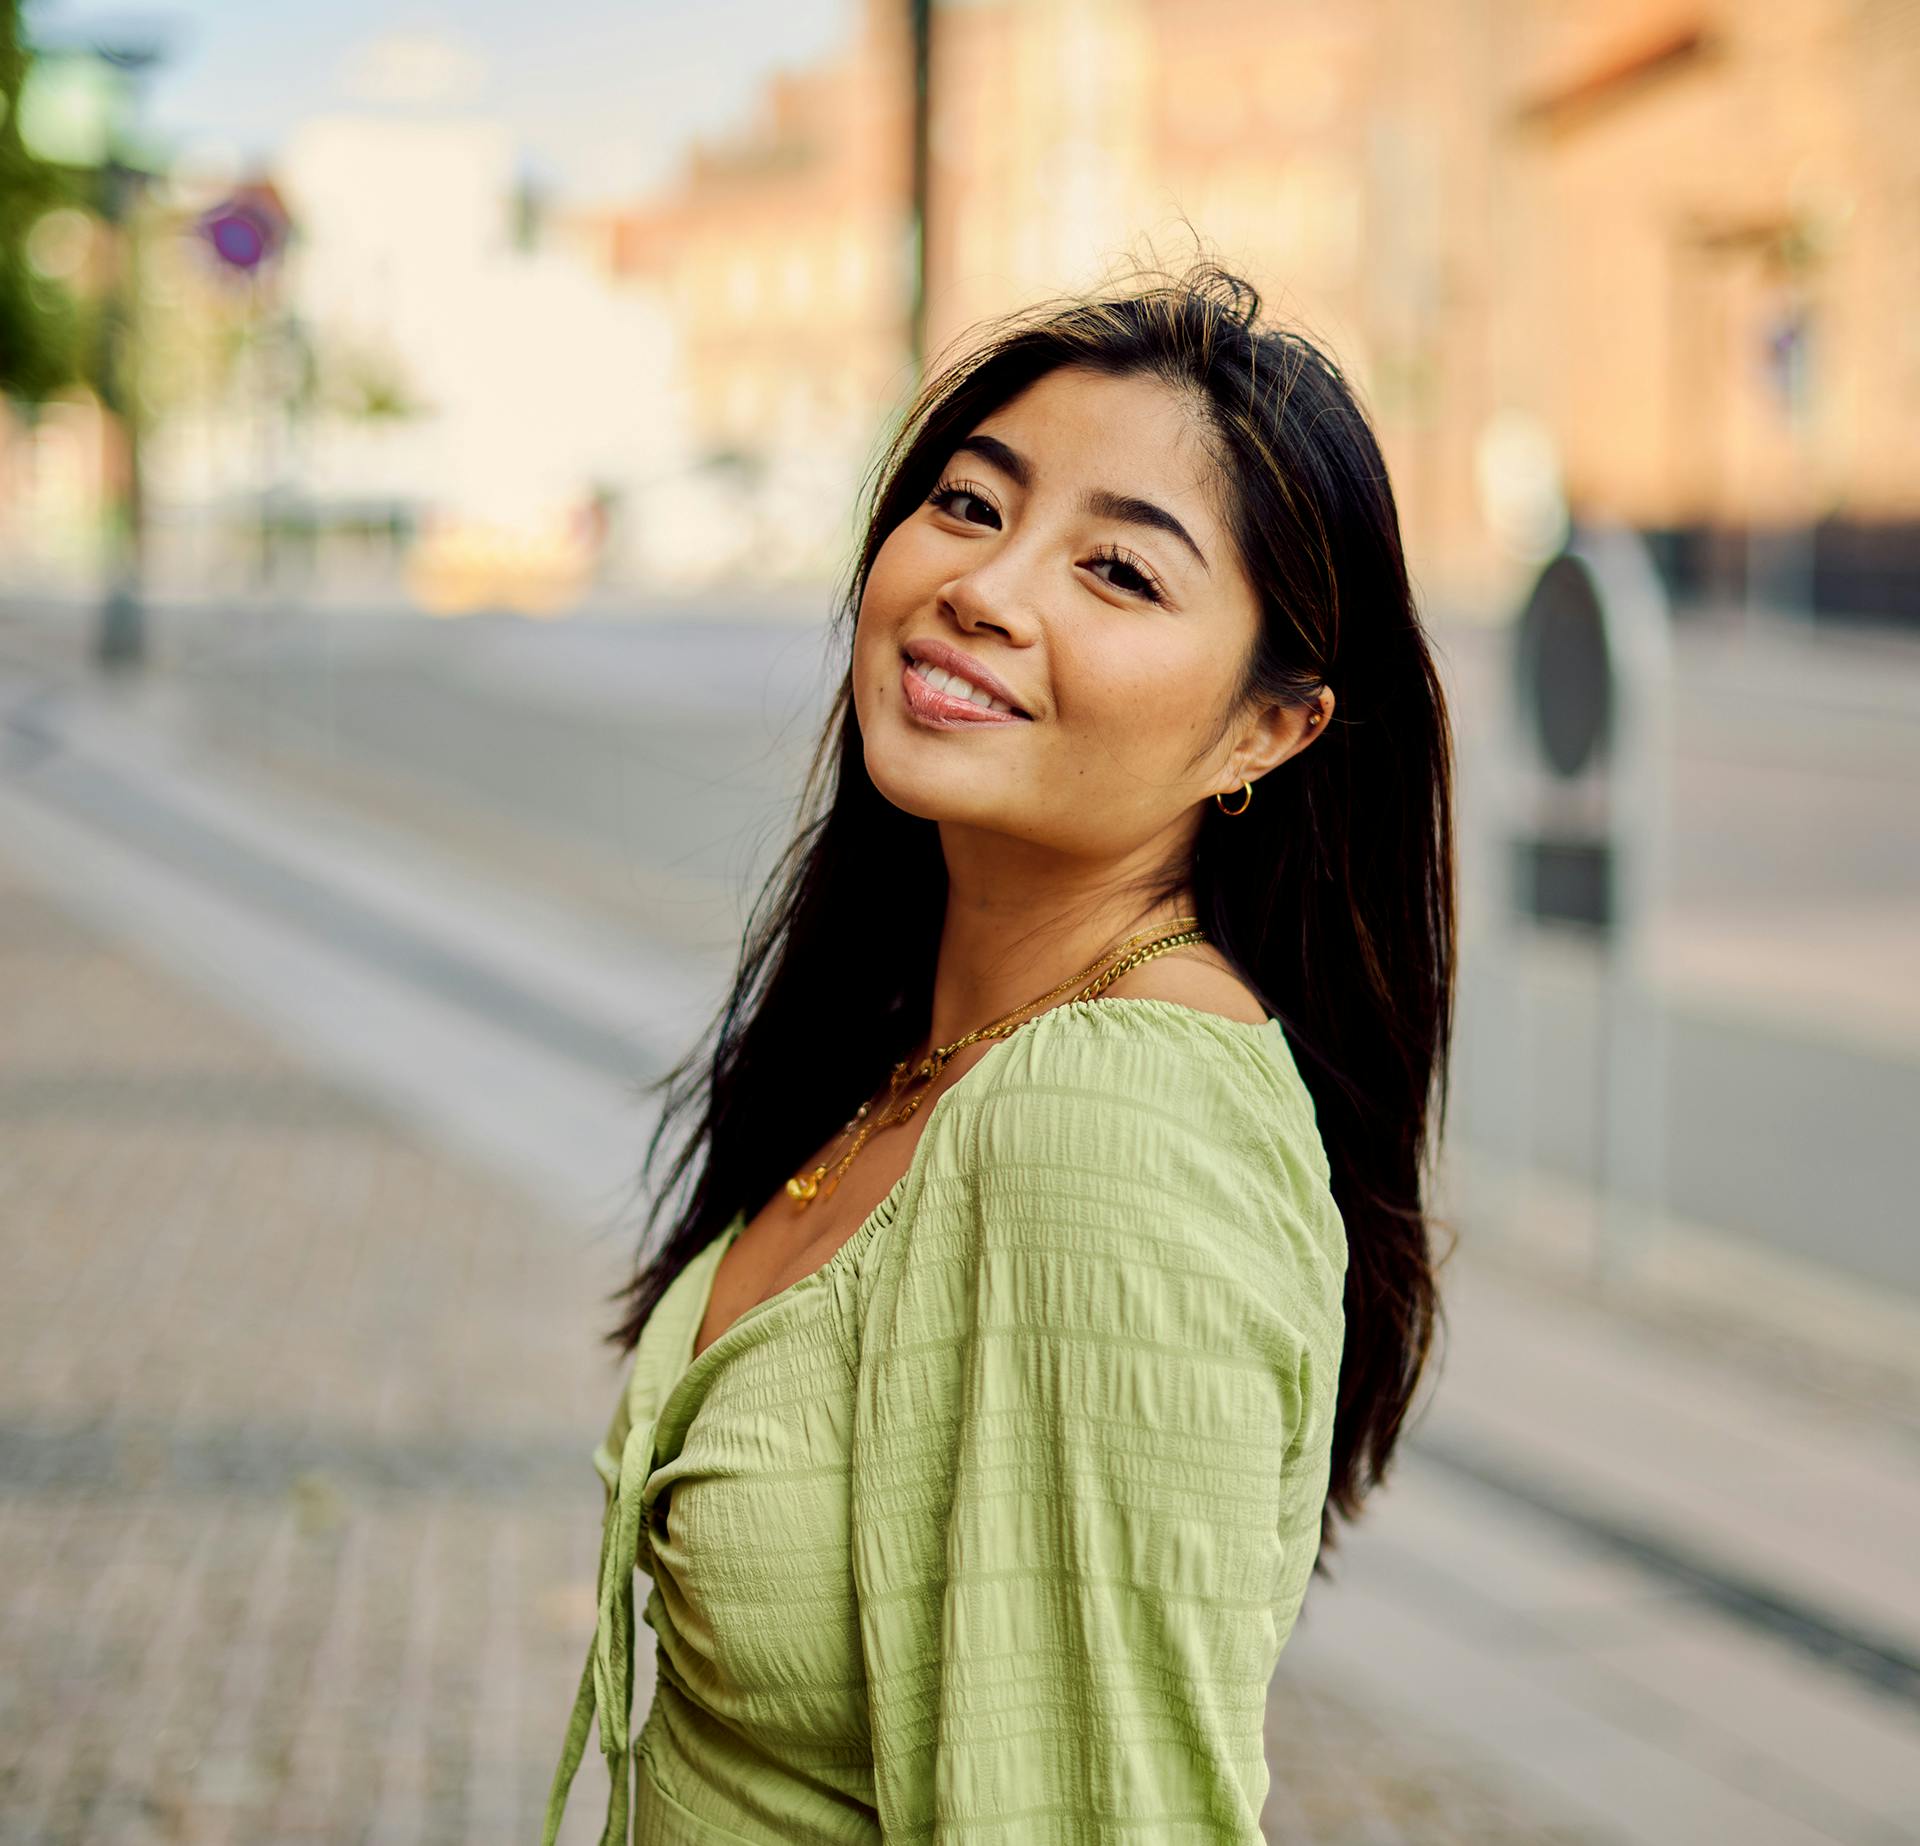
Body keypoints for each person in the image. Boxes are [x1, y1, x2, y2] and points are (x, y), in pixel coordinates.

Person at [543, 262, 1456, 1844]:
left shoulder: (1108, 1123)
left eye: (1117, 570)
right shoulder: (927, 1040)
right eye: (971, 504)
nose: (987, 586)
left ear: (1269, 728)